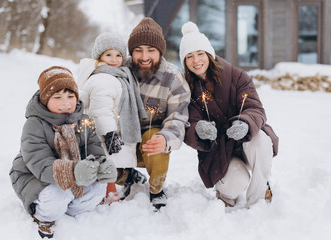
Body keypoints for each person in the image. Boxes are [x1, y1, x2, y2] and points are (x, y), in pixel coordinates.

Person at [9, 66, 117, 238]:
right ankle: (43, 215)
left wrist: (101, 165)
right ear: (45, 99)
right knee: (59, 193)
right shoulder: (35, 125)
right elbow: (41, 164)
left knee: (98, 188)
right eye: (57, 97)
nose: (66, 103)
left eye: (70, 96)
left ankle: (70, 209)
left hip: (75, 175)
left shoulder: (84, 121)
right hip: (34, 177)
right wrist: (73, 171)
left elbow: (94, 148)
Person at [180, 21, 279, 208]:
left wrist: (245, 123)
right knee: (234, 183)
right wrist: (197, 129)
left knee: (261, 141)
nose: (196, 60)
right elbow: (188, 122)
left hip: (245, 140)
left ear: (209, 54)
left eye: (200, 54)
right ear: (184, 61)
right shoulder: (187, 89)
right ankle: (225, 194)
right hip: (219, 150)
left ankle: (257, 202)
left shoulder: (237, 76)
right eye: (189, 56)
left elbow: (255, 108)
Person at [116, 17, 191, 210]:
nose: (144, 56)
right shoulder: (120, 70)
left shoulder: (173, 78)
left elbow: (178, 116)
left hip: (151, 133)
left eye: (151, 50)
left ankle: (156, 189)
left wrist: (166, 138)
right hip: (122, 133)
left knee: (155, 141)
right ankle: (125, 176)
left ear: (160, 51)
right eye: (138, 50)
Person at [78, 32, 147, 204]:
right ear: (100, 56)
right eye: (108, 54)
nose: (114, 59)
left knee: (109, 163)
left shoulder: (117, 75)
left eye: (118, 55)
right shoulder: (103, 78)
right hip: (104, 131)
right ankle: (109, 196)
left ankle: (111, 191)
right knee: (108, 164)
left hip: (109, 129)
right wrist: (109, 133)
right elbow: (100, 110)